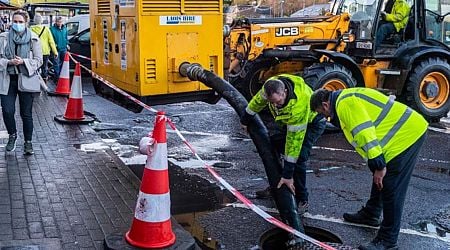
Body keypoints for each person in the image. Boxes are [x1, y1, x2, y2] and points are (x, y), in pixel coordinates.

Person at [310, 88, 428, 250]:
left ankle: (387, 241)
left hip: (406, 136)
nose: (325, 117)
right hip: (402, 133)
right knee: (381, 179)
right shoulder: (345, 98)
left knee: (392, 188)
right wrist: (377, 166)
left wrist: (378, 165)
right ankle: (371, 213)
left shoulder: (345, 104)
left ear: (325, 104)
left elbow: (365, 133)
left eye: (322, 113)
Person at [241, 74, 326, 214]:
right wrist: (245, 120)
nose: (274, 105)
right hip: (289, 121)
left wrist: (288, 175)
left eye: (278, 102)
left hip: (312, 123)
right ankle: (277, 187)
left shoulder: (298, 105)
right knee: (272, 145)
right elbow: (256, 103)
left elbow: (293, 146)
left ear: (285, 92)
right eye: (271, 102)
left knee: (298, 158)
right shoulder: (270, 87)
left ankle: (302, 199)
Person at [0, 10, 43, 155]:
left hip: (26, 79)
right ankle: (12, 135)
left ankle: (28, 142)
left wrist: (23, 61)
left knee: (26, 114)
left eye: (20, 22)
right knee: (7, 111)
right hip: (8, 79)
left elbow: (39, 60)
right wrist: (8, 62)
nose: (17, 24)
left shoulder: (34, 39)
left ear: (26, 23)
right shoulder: (4, 38)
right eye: (15, 21)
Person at [31, 14, 58, 82]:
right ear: (41, 21)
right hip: (45, 51)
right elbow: (51, 41)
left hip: (34, 51)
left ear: (34, 21)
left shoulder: (30, 29)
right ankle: (44, 81)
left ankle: (35, 81)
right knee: (44, 67)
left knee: (35, 67)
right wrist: (55, 52)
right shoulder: (46, 29)